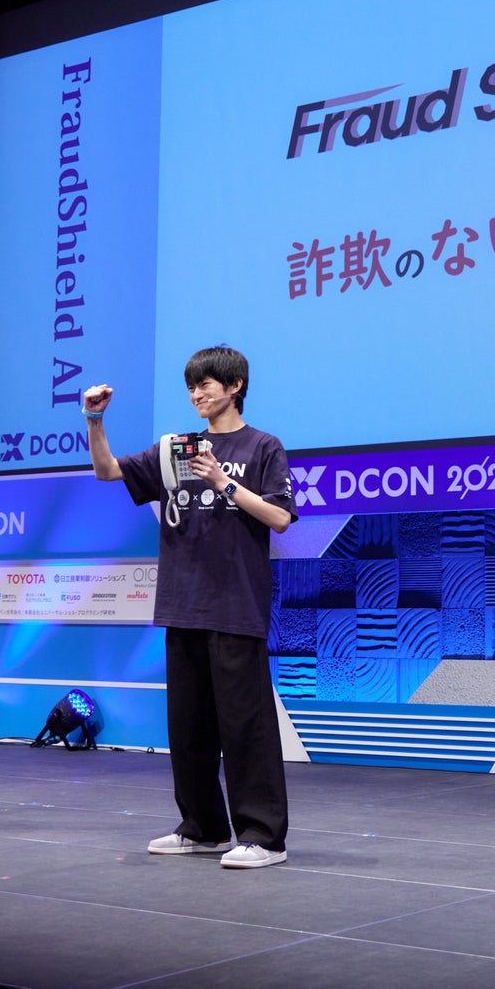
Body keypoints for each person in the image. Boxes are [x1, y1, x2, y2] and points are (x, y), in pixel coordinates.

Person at [83, 345, 297, 868]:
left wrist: (223, 481)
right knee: (189, 729)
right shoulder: (174, 448)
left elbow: (279, 517)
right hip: (183, 605)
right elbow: (107, 471)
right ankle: (203, 828)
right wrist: (94, 419)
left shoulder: (262, 446)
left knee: (245, 728)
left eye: (206, 384)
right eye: (191, 386)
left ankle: (264, 837)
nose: (197, 393)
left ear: (235, 386)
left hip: (236, 606)